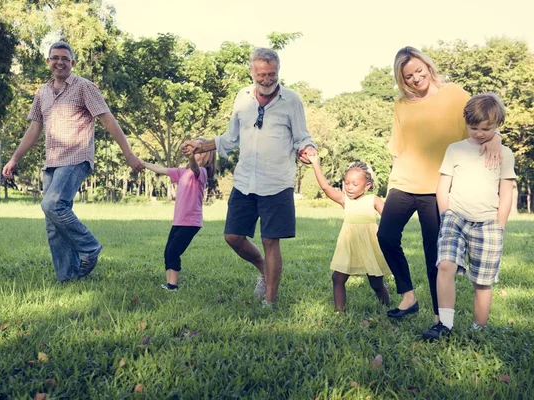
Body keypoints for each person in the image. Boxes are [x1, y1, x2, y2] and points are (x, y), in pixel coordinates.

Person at [181, 48, 317, 309]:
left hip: (277, 182)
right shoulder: (242, 98)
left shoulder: (291, 100)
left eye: (272, 74)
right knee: (232, 236)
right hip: (245, 181)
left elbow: (302, 136)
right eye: (262, 75)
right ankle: (264, 268)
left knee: (270, 240)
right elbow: (230, 139)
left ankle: (270, 301)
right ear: (252, 73)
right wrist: (202, 145)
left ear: (279, 71)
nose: (267, 80)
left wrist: (307, 149)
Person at [2, 41, 144, 283]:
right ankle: (67, 278)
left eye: (65, 58)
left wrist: (129, 154)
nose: (60, 62)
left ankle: (89, 247)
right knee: (53, 224)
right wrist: (15, 157)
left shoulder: (85, 87)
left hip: (77, 157)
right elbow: (34, 128)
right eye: (55, 57)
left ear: (73, 63)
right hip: (52, 161)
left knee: (53, 204)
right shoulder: (42, 92)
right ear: (48, 62)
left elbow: (108, 121)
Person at [378, 46, 502, 321]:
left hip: (439, 186)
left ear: (428, 67)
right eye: (407, 76)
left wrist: (496, 138)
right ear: (401, 78)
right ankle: (408, 296)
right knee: (385, 236)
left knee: (434, 251)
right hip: (404, 181)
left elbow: (482, 120)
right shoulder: (401, 103)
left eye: (419, 71)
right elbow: (399, 146)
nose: (415, 78)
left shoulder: (455, 94)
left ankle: (438, 316)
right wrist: (391, 184)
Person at [421, 93, 516, 339]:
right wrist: (446, 216)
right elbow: (443, 186)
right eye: (473, 127)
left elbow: (506, 193)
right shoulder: (455, 150)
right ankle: (446, 325)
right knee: (445, 265)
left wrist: (500, 225)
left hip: (488, 224)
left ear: (497, 126)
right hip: (456, 217)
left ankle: (479, 329)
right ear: (466, 122)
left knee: (482, 282)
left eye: (487, 128)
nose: (480, 133)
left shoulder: (505, 154)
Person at [308, 155, 391, 311]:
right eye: (346, 183)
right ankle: (340, 312)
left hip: (370, 247)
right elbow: (326, 187)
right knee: (337, 278)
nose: (349, 187)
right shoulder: (345, 199)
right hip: (348, 246)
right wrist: (315, 164)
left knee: (376, 283)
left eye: (354, 184)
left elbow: (390, 220)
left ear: (367, 186)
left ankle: (387, 307)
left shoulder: (373, 200)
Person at [143, 139, 216, 291]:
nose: (194, 154)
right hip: (178, 221)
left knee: (173, 251)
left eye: (197, 152)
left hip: (191, 222)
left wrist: (190, 157)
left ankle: (173, 286)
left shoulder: (201, 172)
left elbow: (195, 168)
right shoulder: (182, 172)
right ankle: (169, 284)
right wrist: (141, 162)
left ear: (205, 156)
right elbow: (160, 169)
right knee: (168, 251)